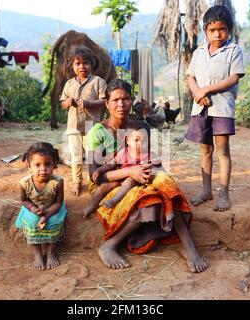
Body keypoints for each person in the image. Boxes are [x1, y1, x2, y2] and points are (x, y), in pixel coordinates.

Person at [85, 79, 208, 273]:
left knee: (166, 184)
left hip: (142, 174)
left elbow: (150, 158)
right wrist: (129, 172)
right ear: (106, 103)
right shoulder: (97, 132)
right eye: (115, 99)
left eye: (125, 99)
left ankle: (190, 247)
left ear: (131, 100)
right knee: (147, 198)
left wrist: (151, 172)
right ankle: (109, 245)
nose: (121, 104)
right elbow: (95, 176)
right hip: (109, 184)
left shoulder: (140, 126)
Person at [185, 5, 245, 212]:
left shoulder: (233, 51)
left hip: (222, 108)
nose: (217, 34)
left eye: (222, 29)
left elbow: (234, 77)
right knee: (205, 150)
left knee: (222, 151)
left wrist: (207, 89)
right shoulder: (199, 52)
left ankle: (224, 192)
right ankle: (206, 190)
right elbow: (191, 76)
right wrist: (197, 93)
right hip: (200, 109)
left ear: (229, 30)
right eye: (212, 30)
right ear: (205, 31)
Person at [82, 121, 163, 218]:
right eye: (136, 140)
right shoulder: (123, 153)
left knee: (130, 181)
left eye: (144, 141)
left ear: (149, 141)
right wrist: (99, 170)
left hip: (136, 181)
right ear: (128, 140)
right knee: (105, 186)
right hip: (121, 178)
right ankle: (92, 205)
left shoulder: (150, 155)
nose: (140, 144)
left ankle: (114, 200)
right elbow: (111, 164)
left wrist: (152, 170)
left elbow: (161, 169)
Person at [60, 45, 107, 197]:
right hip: (73, 126)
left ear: (91, 64)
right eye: (77, 63)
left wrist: (89, 104)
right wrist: (66, 103)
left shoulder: (98, 82)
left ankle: (95, 182)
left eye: (85, 63)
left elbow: (105, 101)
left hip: (92, 126)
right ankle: (77, 182)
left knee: (93, 157)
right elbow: (62, 102)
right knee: (76, 157)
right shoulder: (69, 84)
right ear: (72, 65)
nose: (82, 67)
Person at [15, 142, 67, 270]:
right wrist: (33, 209)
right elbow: (24, 201)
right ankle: (37, 253)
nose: (43, 169)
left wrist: (47, 215)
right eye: (37, 165)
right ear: (29, 167)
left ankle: (51, 252)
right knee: (32, 222)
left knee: (54, 222)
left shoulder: (57, 182)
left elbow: (59, 202)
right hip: (32, 207)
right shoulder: (24, 183)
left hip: (53, 207)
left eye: (47, 164)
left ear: (54, 165)